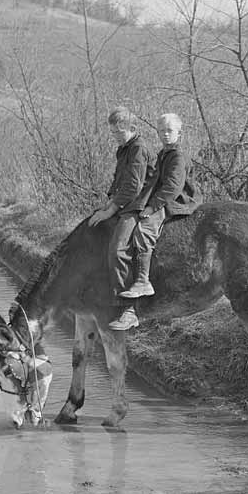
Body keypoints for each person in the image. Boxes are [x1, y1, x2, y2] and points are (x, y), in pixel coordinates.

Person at [115, 113, 202, 325]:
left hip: (177, 200)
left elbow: (172, 187)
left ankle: (143, 280)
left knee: (145, 228)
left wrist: (152, 207)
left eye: (169, 130)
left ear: (179, 133)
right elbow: (154, 181)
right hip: (164, 197)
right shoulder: (164, 153)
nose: (165, 134)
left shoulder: (177, 156)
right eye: (161, 130)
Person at [87, 106, 152, 330]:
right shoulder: (124, 148)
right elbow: (119, 181)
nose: (115, 136)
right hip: (125, 201)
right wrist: (107, 203)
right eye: (113, 132)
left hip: (138, 204)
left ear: (132, 128)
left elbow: (133, 187)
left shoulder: (138, 149)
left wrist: (111, 209)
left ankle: (128, 309)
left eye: (118, 132)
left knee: (118, 249)